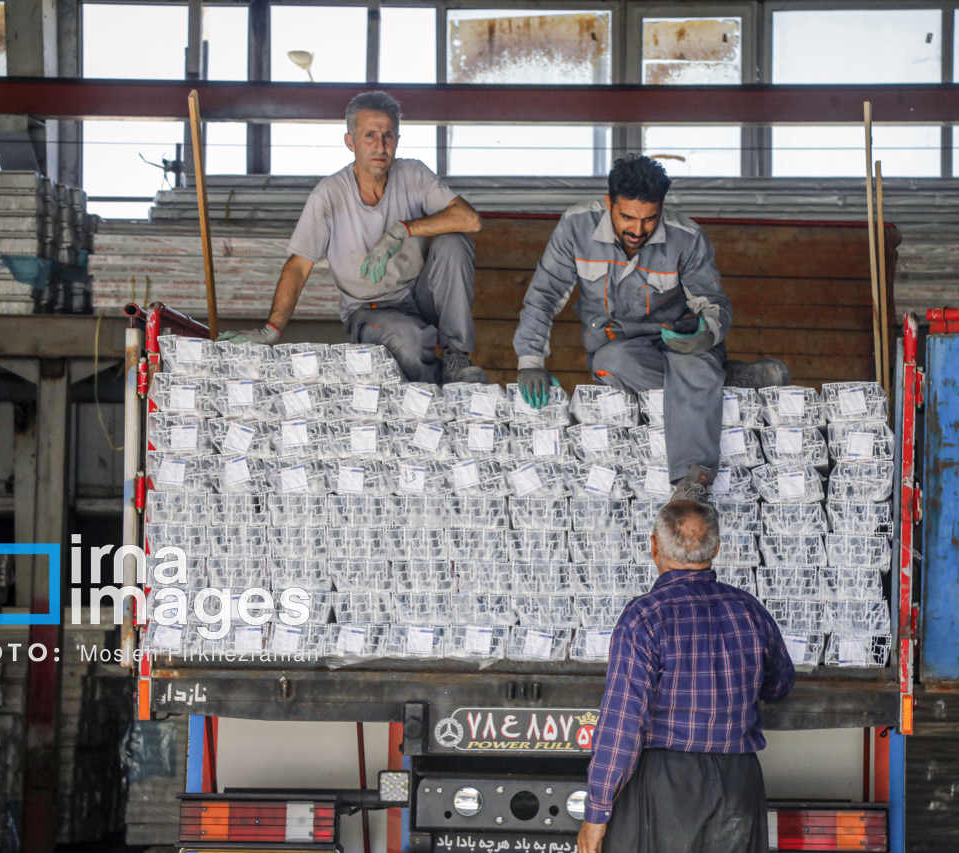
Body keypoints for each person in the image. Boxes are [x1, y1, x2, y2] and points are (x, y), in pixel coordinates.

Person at [512, 154, 789, 503]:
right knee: (612, 362)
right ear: (609, 202)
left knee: (693, 363)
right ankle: (726, 380)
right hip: (622, 349)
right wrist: (530, 363)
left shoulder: (687, 238)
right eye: (627, 216)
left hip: (681, 343)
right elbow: (543, 295)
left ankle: (692, 482)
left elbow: (716, 305)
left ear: (662, 208)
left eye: (649, 219)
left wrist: (703, 336)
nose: (638, 230)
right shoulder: (575, 227)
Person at [218, 91, 487, 385]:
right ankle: (435, 400)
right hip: (370, 308)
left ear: (397, 141)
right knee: (411, 340)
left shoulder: (413, 174)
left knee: (454, 242)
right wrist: (272, 329)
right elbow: (298, 266)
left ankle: (456, 355)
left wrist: (402, 230)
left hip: (419, 295)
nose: (380, 145)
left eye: (388, 136)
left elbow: (469, 219)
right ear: (351, 142)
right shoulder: (329, 195)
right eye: (369, 135)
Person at [578, 500, 795, 853]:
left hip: (669, 783)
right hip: (738, 780)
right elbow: (781, 684)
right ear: (717, 549)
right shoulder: (749, 610)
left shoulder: (644, 617)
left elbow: (623, 724)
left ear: (654, 547)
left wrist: (597, 813)